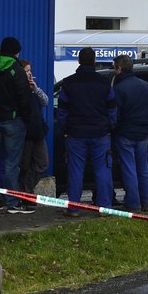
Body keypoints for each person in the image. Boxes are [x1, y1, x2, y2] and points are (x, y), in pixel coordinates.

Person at [57, 46, 117, 215]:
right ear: (94, 61)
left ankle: (74, 208)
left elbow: (62, 111)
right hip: (100, 134)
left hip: (76, 134)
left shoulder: (69, 83)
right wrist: (109, 127)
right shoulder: (104, 83)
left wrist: (64, 130)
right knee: (103, 170)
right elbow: (112, 109)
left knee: (75, 171)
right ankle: (104, 208)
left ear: (79, 61)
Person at [0, 36, 34, 214]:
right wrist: (25, 117)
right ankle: (13, 202)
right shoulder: (16, 69)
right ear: (16, 51)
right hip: (14, 120)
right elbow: (24, 97)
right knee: (12, 163)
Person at [112, 54, 148, 212]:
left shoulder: (119, 89)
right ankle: (147, 203)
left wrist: (113, 130)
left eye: (115, 68)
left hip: (125, 134)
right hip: (143, 135)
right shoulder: (146, 86)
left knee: (129, 170)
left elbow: (115, 115)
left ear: (119, 69)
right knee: (144, 169)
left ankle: (133, 204)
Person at [18, 59, 50, 195]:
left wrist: (35, 89)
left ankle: (26, 188)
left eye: (30, 70)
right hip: (25, 132)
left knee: (42, 163)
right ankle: (22, 192)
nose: (29, 73)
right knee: (23, 165)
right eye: (26, 71)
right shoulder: (18, 88)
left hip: (38, 131)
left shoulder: (34, 89)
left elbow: (45, 101)